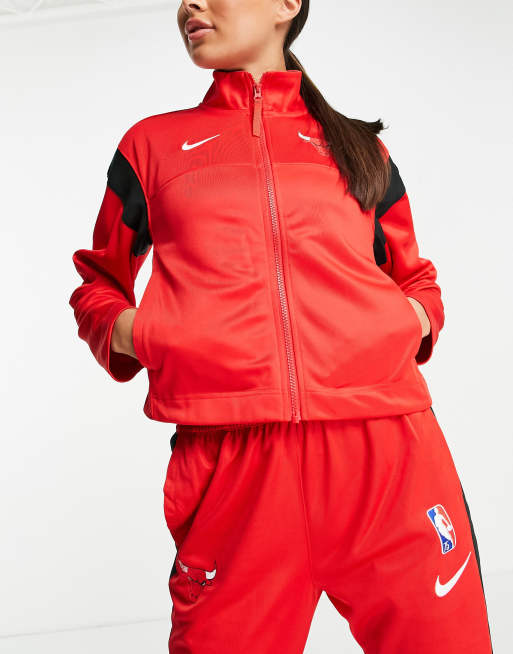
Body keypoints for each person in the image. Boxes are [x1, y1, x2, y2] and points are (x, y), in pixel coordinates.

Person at [68, 1, 494, 652]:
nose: (188, 4)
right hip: (234, 469)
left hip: (387, 455)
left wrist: (398, 324)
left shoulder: (358, 149)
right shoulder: (151, 147)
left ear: (286, 5)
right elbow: (99, 282)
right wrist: (145, 333)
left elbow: (416, 281)